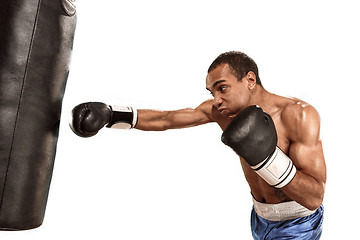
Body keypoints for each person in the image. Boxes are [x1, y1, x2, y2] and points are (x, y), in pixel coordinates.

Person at [70, 51, 326, 239]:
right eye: (211, 92)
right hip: (259, 218)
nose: (216, 100)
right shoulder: (223, 112)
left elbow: (314, 197)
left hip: (298, 224)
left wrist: (268, 160)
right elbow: (166, 119)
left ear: (250, 79)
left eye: (222, 88)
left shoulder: (298, 115)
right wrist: (112, 115)